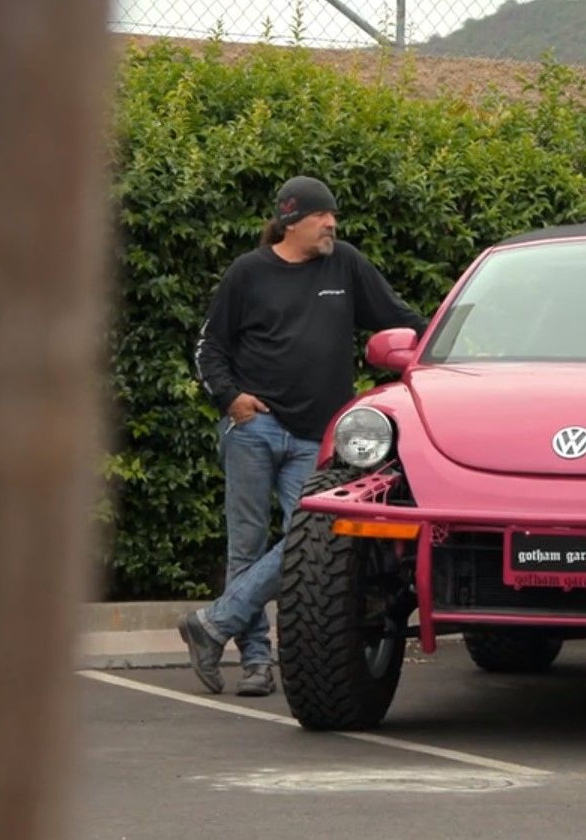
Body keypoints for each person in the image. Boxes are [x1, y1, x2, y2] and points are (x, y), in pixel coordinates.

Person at [180, 176, 425, 696]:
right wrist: (229, 399)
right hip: (254, 427)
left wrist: (451, 344)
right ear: (292, 220)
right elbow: (208, 348)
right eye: (322, 216)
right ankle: (254, 664)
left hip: (318, 435)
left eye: (333, 215)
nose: (332, 224)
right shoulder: (247, 274)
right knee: (244, 548)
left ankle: (212, 624)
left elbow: (400, 320)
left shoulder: (346, 265)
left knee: (304, 546)